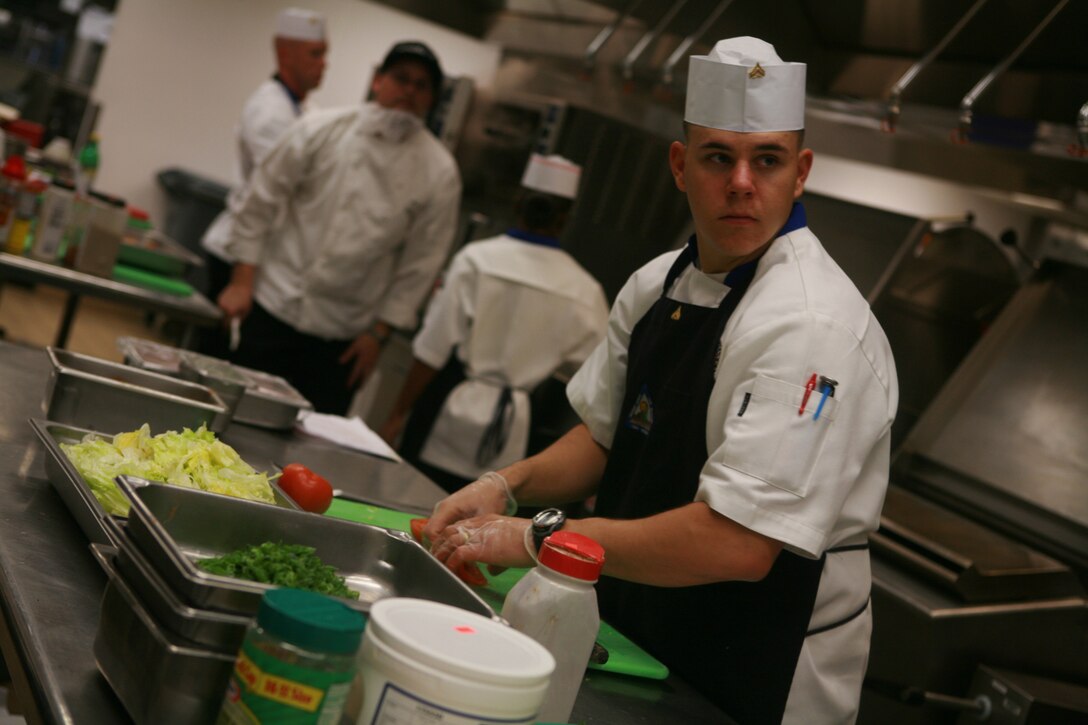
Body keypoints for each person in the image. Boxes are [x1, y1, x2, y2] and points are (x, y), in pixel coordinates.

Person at [422, 37, 898, 724]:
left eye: (767, 159)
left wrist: (532, 536)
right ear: (681, 165)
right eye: (717, 157)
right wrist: (505, 484)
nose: (741, 182)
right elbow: (607, 436)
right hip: (644, 615)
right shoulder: (658, 283)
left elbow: (739, 543)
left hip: (757, 658)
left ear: (801, 172)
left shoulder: (810, 323)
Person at [218, 41, 462, 415]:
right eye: (401, 78)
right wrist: (241, 281)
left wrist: (379, 334)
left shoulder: (439, 171)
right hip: (273, 310)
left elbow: (421, 264)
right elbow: (260, 200)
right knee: (233, 420)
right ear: (378, 80)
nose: (409, 91)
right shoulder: (321, 129)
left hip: (345, 339)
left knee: (308, 450)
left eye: (422, 85)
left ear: (431, 99)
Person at [379, 154, 609, 493]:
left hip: (445, 413)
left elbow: (432, 349)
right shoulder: (583, 290)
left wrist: (397, 414)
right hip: (515, 430)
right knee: (481, 527)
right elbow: (602, 380)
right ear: (565, 218)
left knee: (414, 504)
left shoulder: (477, 259)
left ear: (518, 203)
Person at [199, 7, 328, 357]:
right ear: (284, 52)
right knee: (218, 360)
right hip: (237, 255)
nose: (324, 63)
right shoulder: (269, 111)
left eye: (326, 54)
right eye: (315, 54)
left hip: (257, 255)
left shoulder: (306, 111)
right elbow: (284, 192)